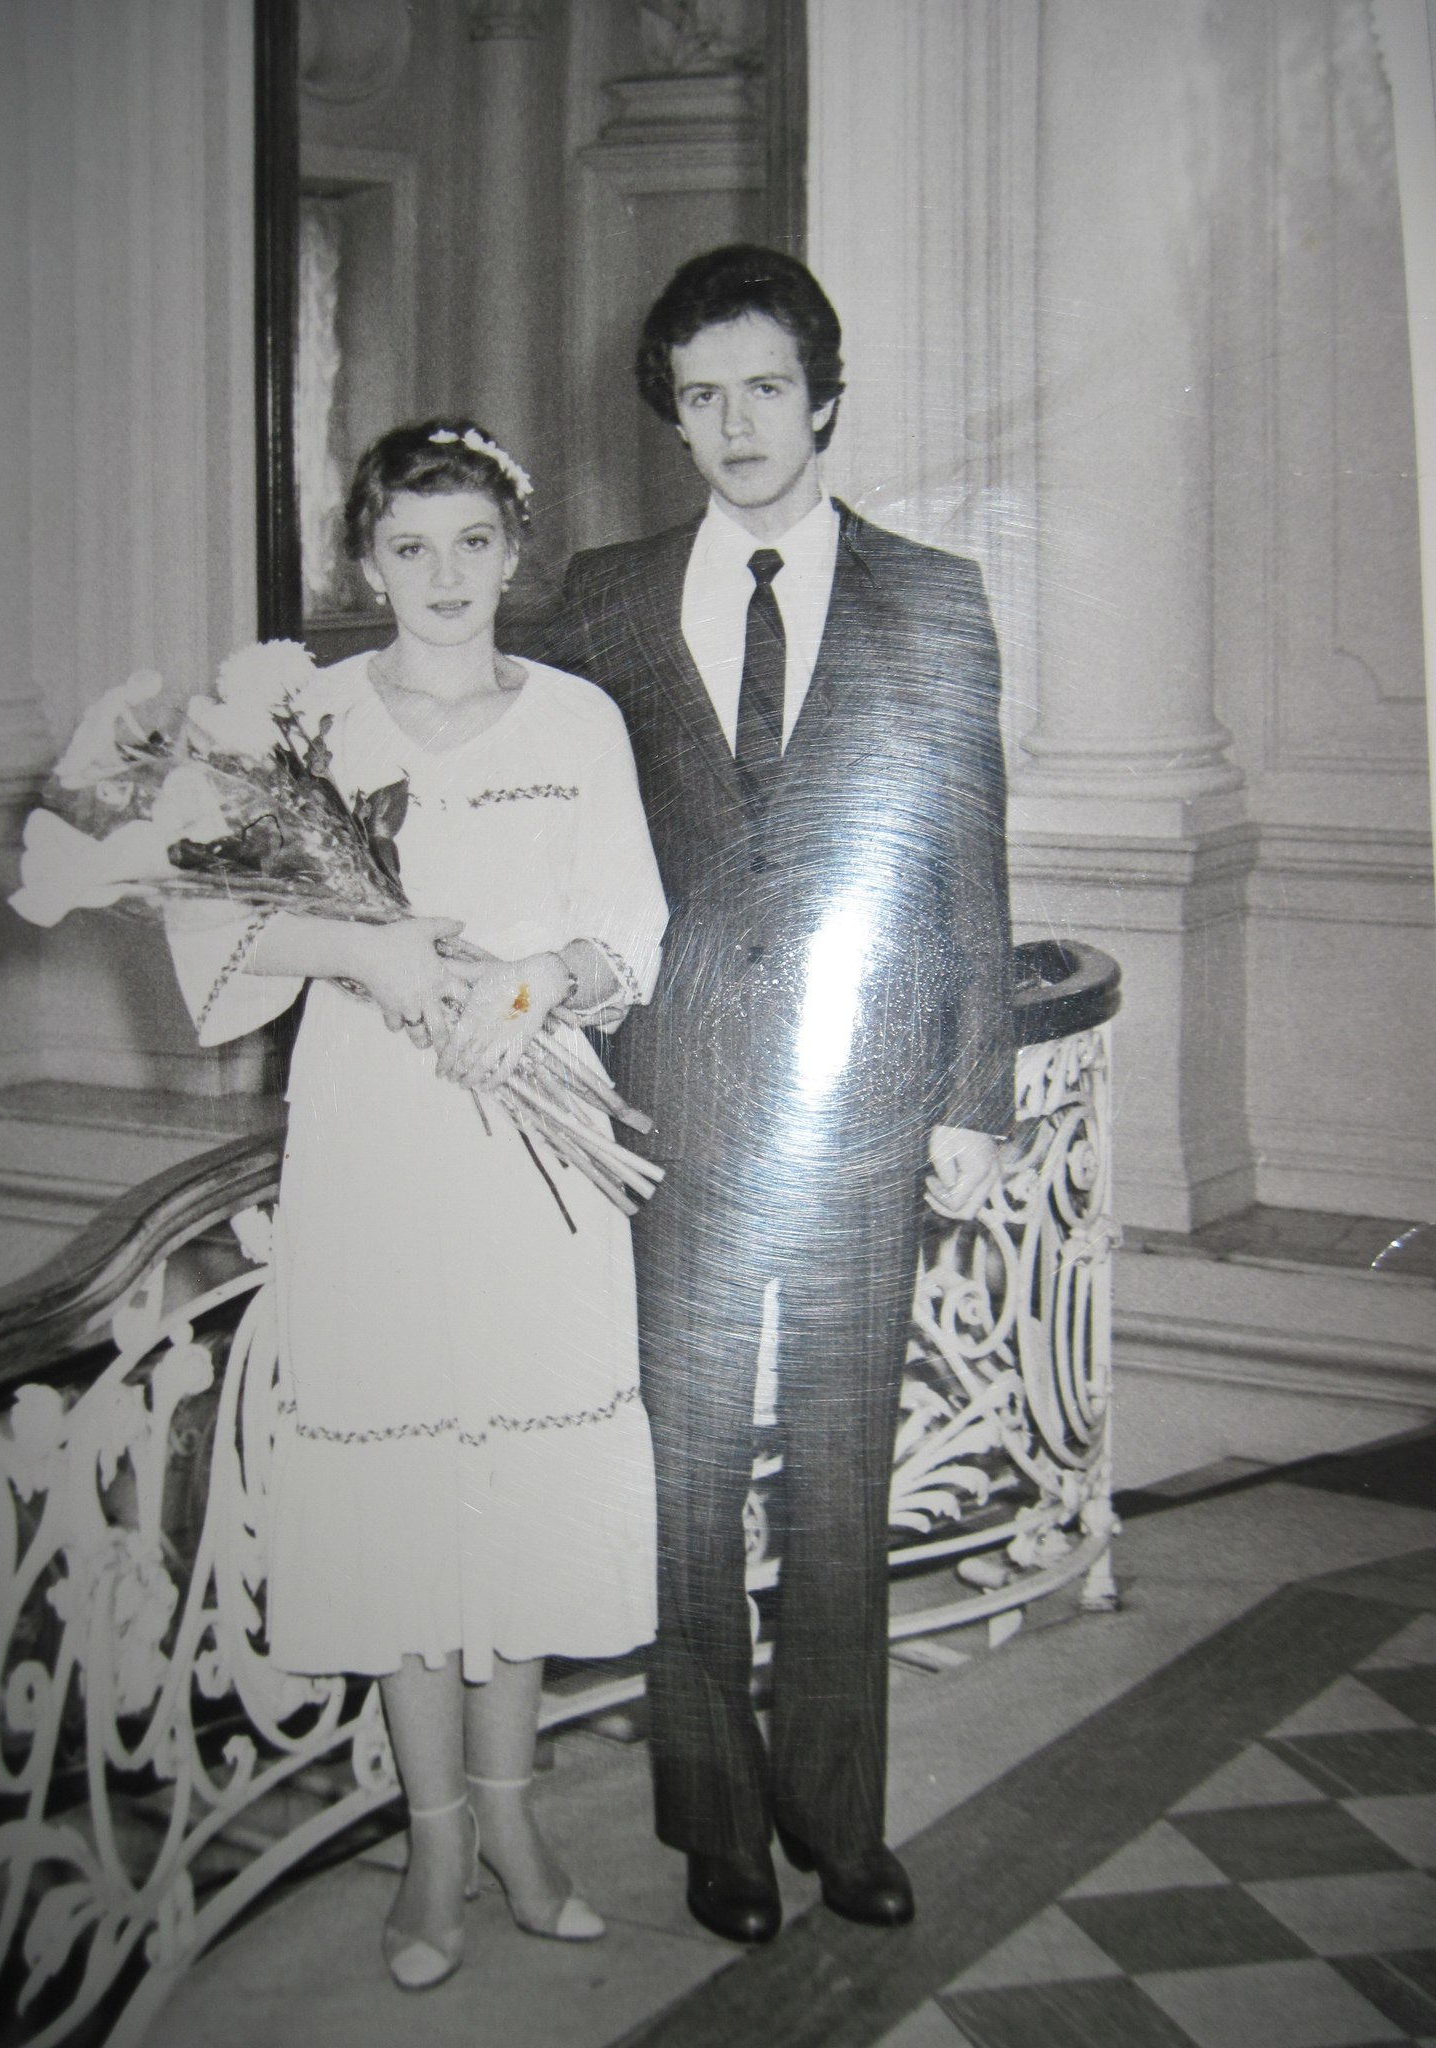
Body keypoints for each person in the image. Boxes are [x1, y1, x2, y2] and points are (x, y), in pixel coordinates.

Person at [532, 246, 1016, 1943]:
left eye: (762, 388)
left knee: (838, 1468)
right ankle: (719, 1829)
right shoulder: (601, 598)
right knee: (682, 1475)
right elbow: (551, 839)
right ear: (671, 416)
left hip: (865, 1105)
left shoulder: (932, 597)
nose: (734, 424)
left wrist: (972, 1095)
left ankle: (838, 1815)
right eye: (701, 395)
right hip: (666, 1104)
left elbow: (967, 860)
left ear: (823, 400)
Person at [169, 420, 668, 1992]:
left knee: (518, 1475)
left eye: (472, 544)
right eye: (409, 548)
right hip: (377, 1136)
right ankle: (435, 1840)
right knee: (400, 1482)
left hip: (537, 1142)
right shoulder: (302, 721)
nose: (443, 576)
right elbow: (216, 936)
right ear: (364, 561)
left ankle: (515, 1820)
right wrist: (366, 953)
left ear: (514, 553)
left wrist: (542, 979)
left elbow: (631, 934)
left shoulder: (578, 719)